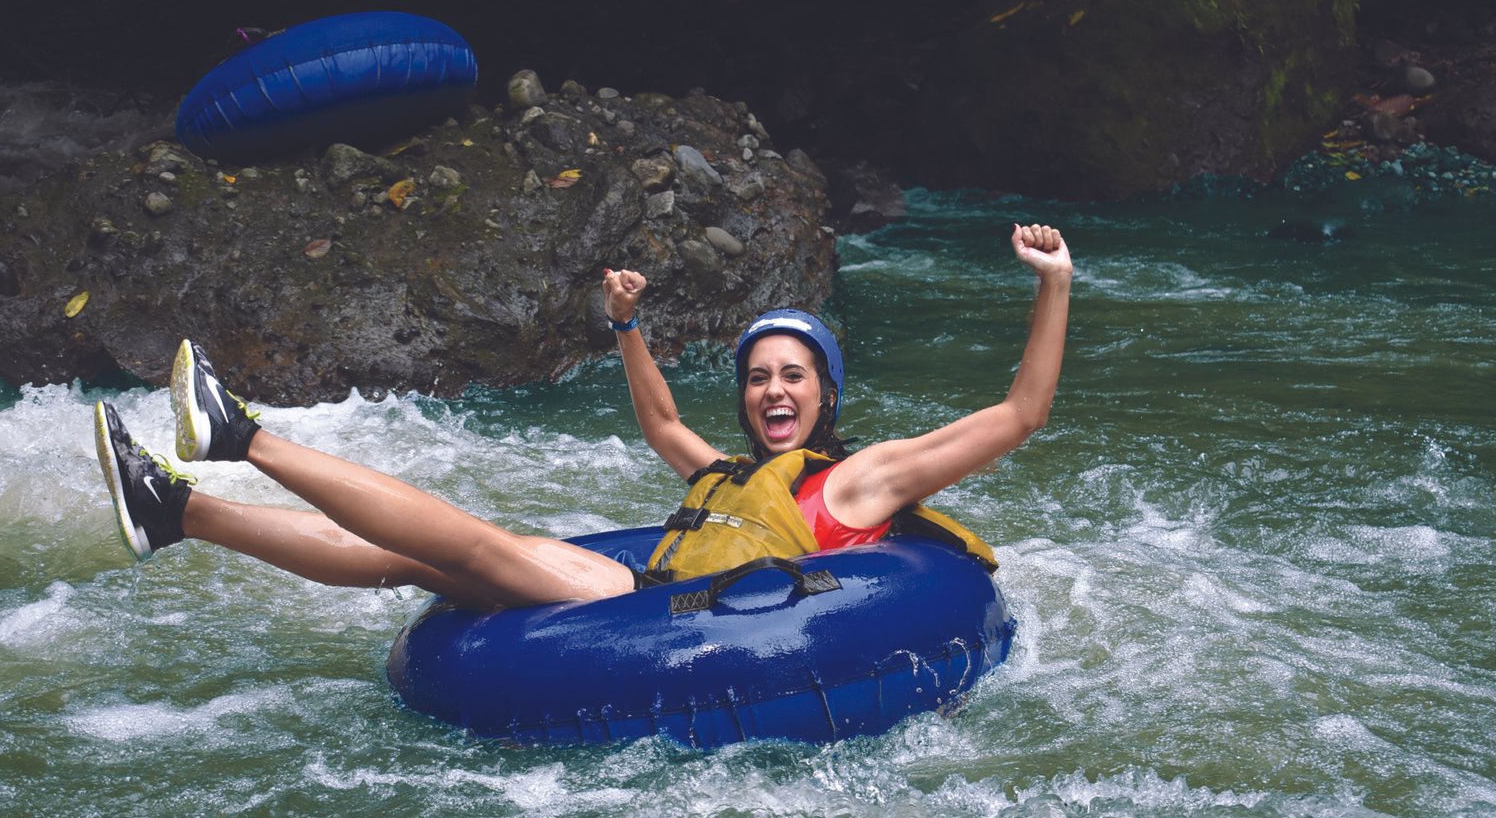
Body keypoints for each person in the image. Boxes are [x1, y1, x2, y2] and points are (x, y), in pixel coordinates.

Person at [94, 223, 1071, 609]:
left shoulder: (869, 476)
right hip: (644, 587)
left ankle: (241, 437)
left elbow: (1022, 412)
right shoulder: (727, 476)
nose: (772, 391)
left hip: (666, 619)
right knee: (417, 555)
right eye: (758, 377)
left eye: (793, 377)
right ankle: (178, 512)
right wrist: (628, 324)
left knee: (474, 545)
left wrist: (1054, 284)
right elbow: (660, 427)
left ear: (825, 394)